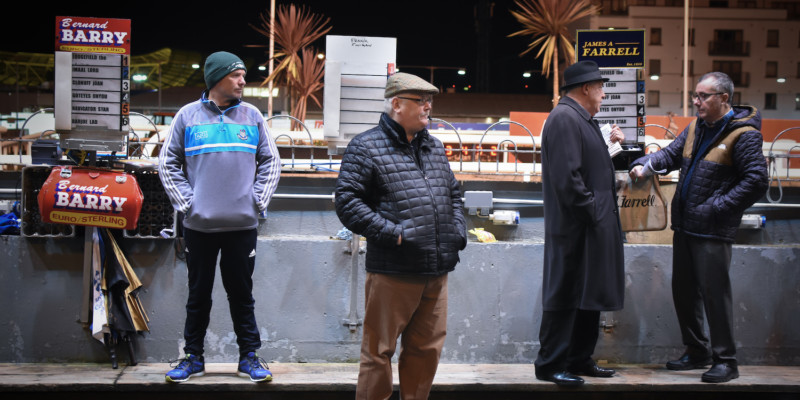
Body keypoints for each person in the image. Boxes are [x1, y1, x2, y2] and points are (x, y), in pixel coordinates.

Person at [335, 72, 467, 400]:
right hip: (393, 271)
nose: (428, 107)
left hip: (436, 270)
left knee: (426, 350)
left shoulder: (434, 147)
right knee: (378, 351)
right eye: (420, 101)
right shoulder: (366, 146)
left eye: (429, 101)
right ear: (396, 104)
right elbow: (347, 202)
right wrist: (394, 235)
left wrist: (457, 232)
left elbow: (453, 194)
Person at [629, 71, 768, 383]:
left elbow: (757, 181)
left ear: (724, 98)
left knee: (715, 296)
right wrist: (644, 165)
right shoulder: (696, 127)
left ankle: (726, 361)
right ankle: (697, 351)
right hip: (686, 226)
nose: (696, 101)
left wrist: (718, 207)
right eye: (696, 95)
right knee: (684, 293)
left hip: (713, 230)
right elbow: (671, 154)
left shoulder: (744, 135)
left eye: (704, 96)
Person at [158, 51, 281, 383]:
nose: (243, 81)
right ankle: (193, 358)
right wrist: (188, 204)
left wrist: (257, 200)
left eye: (243, 75)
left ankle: (249, 358)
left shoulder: (252, 116)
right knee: (198, 294)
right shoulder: (187, 116)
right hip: (199, 226)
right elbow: (166, 163)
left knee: (242, 295)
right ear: (216, 79)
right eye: (236, 75)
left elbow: (272, 161)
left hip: (242, 226)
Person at [535, 60, 626, 387]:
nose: (603, 94)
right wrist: (593, 211)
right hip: (575, 228)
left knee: (588, 294)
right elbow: (568, 179)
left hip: (589, 226)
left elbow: (589, 168)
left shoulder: (581, 119)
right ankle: (550, 365)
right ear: (586, 88)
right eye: (600, 88)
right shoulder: (564, 118)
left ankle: (578, 359)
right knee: (566, 293)